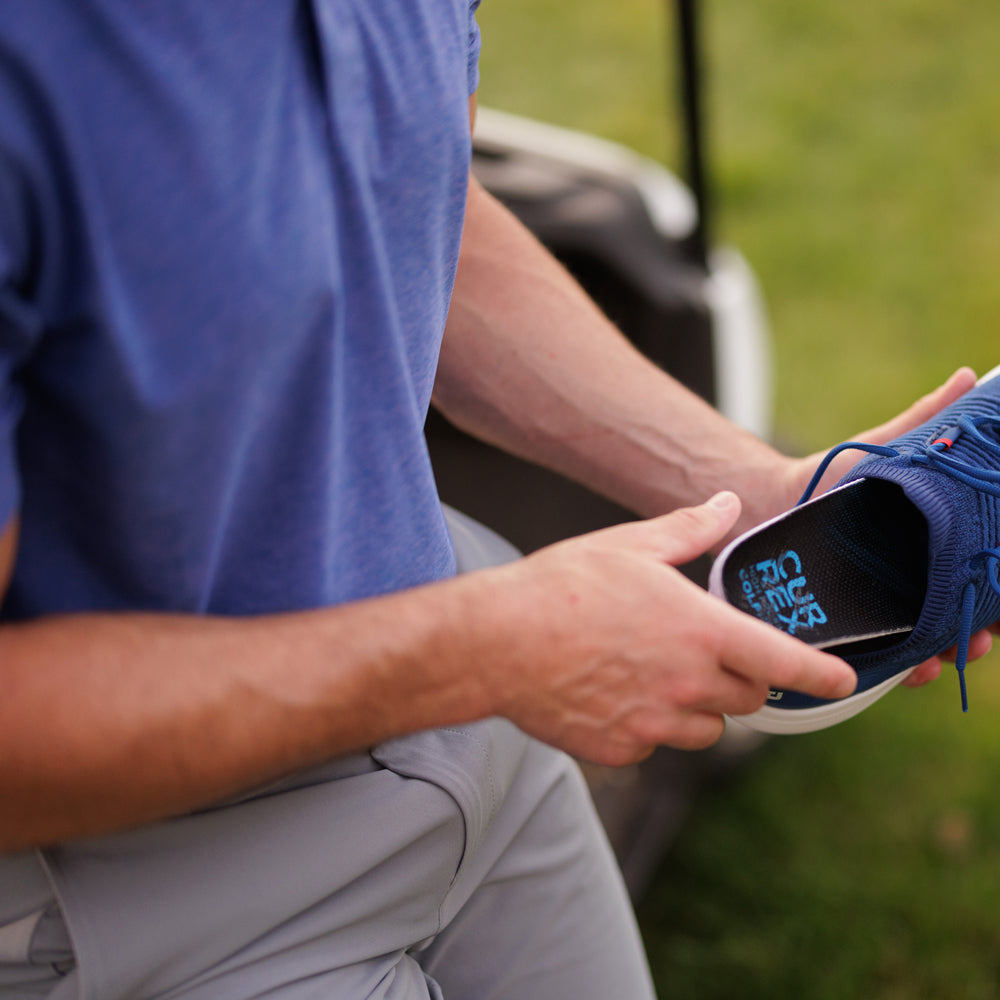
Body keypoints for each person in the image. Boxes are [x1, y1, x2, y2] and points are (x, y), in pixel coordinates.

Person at [0, 3, 991, 998]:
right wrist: (487, 645)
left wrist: (750, 480)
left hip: (471, 704)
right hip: (150, 884)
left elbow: (408, 196)